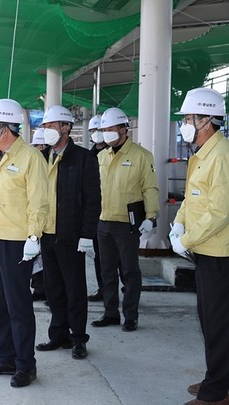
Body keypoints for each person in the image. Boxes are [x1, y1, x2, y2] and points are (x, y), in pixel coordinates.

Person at [0, 98, 49, 388]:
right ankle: (5, 357)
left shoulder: (30, 158)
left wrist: (34, 236)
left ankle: (25, 364)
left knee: (18, 305)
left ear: (5, 128)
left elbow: (40, 202)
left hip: (17, 243)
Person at [170, 87, 229, 405]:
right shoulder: (203, 154)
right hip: (204, 249)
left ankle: (217, 392)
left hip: (218, 252)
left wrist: (186, 240)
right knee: (210, 320)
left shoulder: (220, 156)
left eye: (189, 118)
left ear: (207, 119)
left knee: (217, 322)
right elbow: (194, 198)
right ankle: (217, 378)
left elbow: (220, 211)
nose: (185, 123)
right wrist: (179, 223)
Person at [35, 105, 100, 360]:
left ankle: (78, 338)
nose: (48, 131)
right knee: (53, 290)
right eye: (45, 127)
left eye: (52, 126)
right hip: (47, 234)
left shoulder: (83, 159)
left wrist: (87, 233)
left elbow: (93, 199)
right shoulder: (44, 158)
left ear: (66, 127)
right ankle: (58, 335)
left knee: (74, 289)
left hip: (71, 236)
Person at [91, 107, 159, 332]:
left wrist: (151, 216)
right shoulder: (101, 156)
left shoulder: (141, 156)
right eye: (104, 129)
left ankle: (130, 315)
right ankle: (110, 312)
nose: (107, 133)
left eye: (110, 129)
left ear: (123, 129)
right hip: (103, 222)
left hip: (127, 225)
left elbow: (150, 188)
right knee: (106, 271)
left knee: (129, 271)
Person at [87, 114, 106, 302]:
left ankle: (126, 290)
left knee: (123, 261)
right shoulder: (89, 156)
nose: (97, 134)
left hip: (119, 216)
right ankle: (103, 289)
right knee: (99, 257)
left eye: (101, 130)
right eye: (93, 131)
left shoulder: (116, 152)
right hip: (96, 214)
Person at [29, 127, 49, 302]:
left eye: (42, 146)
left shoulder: (52, 162)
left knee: (48, 260)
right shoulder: (31, 162)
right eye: (36, 145)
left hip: (50, 220)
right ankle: (38, 288)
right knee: (35, 257)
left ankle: (48, 290)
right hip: (33, 219)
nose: (39, 149)